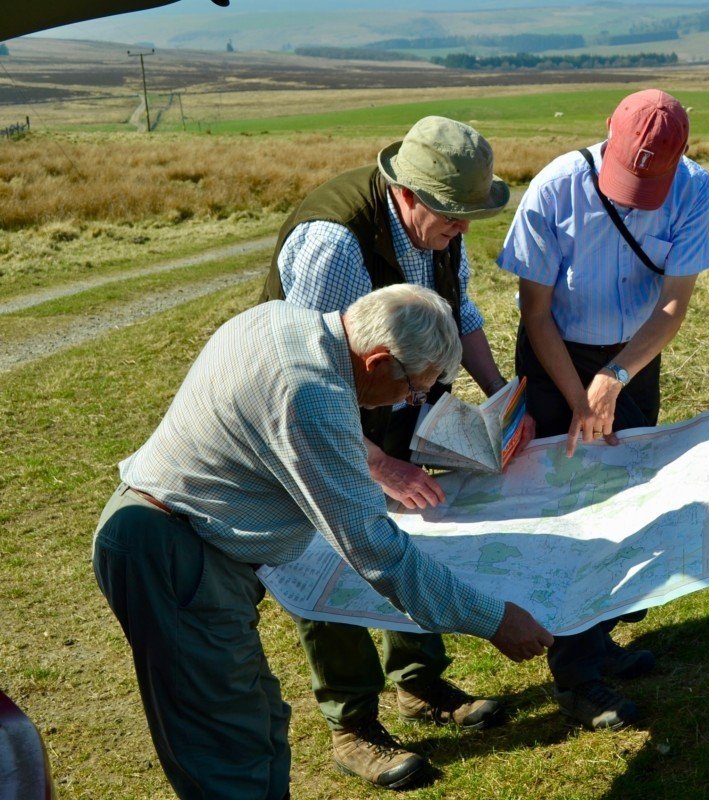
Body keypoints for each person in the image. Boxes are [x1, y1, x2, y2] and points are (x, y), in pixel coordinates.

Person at [92, 284, 553, 799]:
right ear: (378, 362)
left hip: (183, 539)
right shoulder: (312, 394)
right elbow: (377, 551)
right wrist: (493, 619)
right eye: (413, 390)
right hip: (174, 552)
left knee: (259, 719)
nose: (409, 402)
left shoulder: (280, 319)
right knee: (228, 751)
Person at [260, 116, 534, 787]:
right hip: (319, 412)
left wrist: (503, 397)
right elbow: (305, 378)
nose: (464, 228)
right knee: (336, 548)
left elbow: (460, 312)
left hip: (395, 393)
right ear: (409, 194)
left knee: (419, 526)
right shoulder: (336, 245)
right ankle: (352, 725)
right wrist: (379, 465)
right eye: (455, 214)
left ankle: (419, 682)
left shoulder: (439, 229)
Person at [497, 89, 709, 730]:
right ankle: (576, 675)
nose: (635, 193)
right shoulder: (555, 188)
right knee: (568, 508)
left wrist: (617, 376)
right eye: (627, 178)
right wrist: (576, 397)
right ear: (605, 139)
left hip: (633, 356)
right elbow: (534, 313)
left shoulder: (694, 188)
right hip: (556, 355)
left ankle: (595, 641)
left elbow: (674, 302)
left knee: (623, 498)